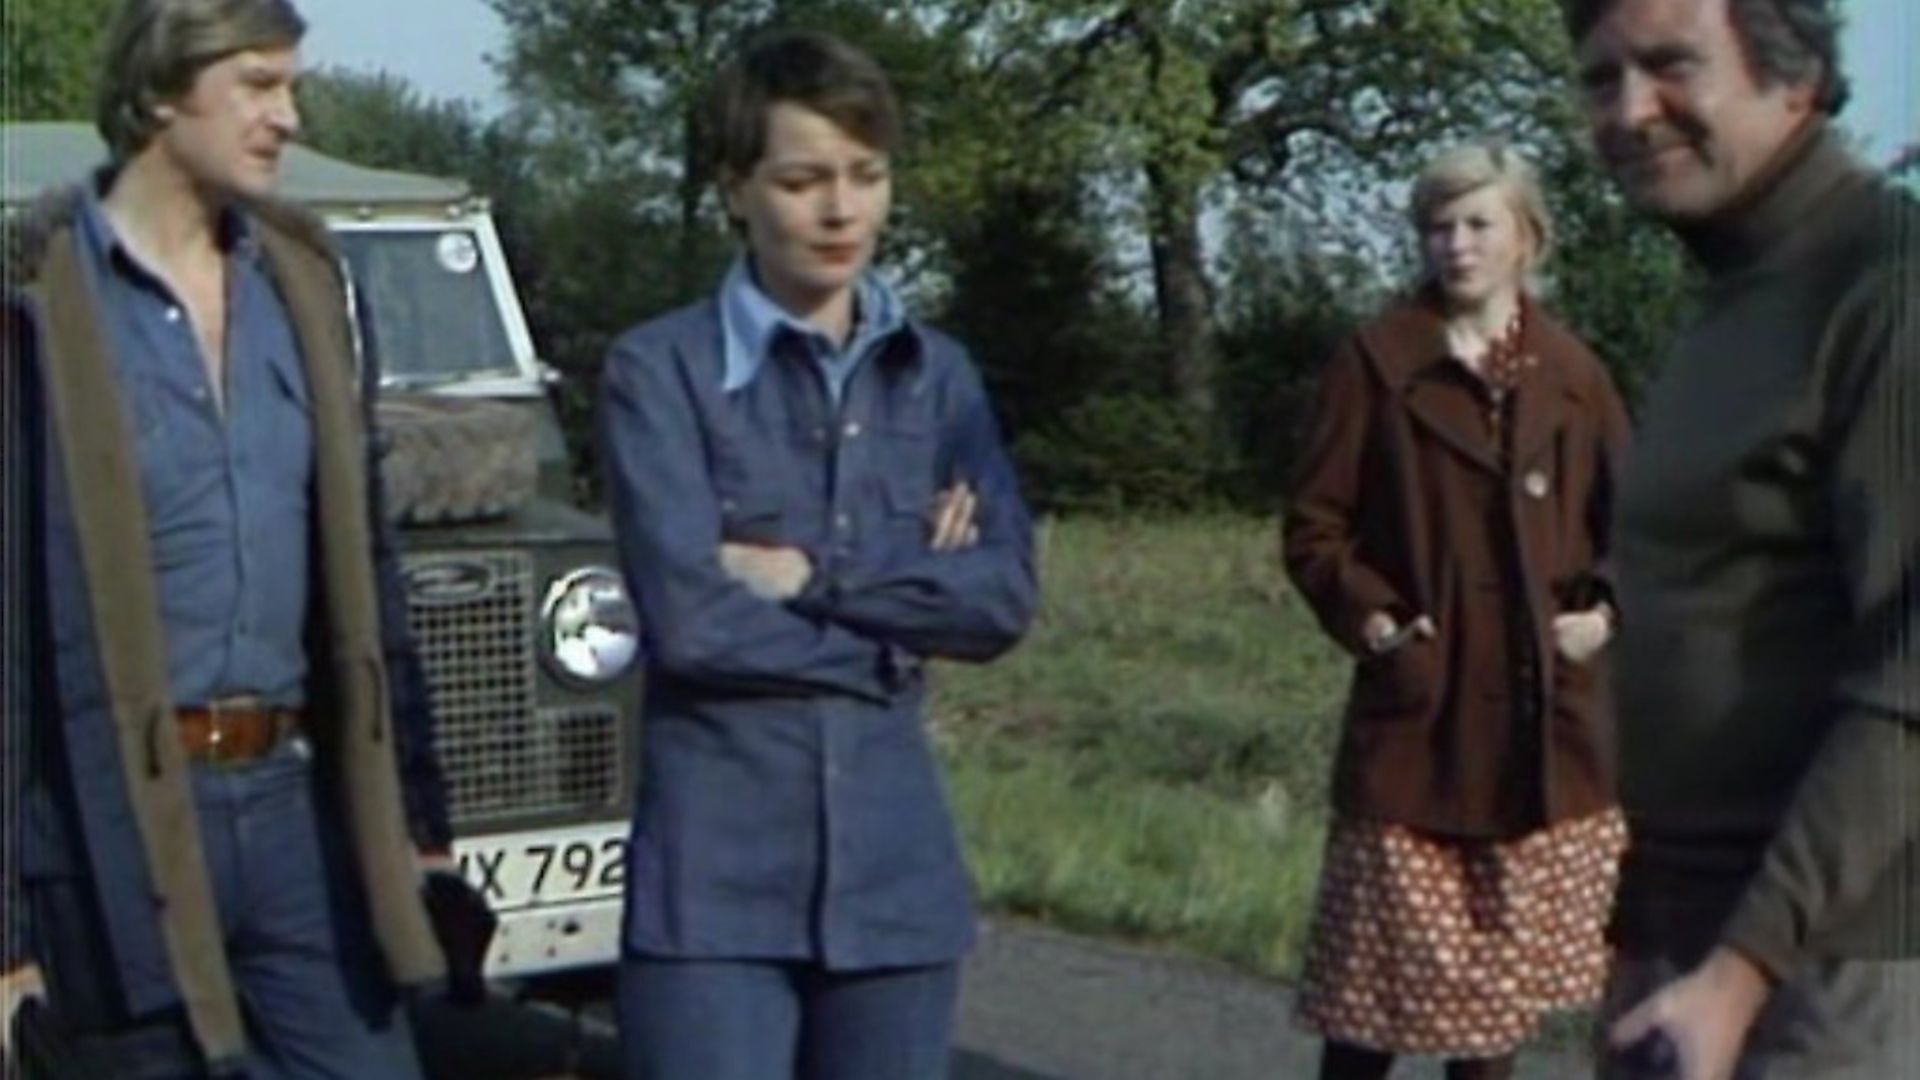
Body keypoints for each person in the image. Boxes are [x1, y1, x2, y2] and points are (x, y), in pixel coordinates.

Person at [1, 0, 462, 1075]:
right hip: (116, 827)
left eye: (290, 85)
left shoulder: (308, 289)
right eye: (257, 84)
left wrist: (425, 824)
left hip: (300, 812)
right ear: (163, 91)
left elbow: (369, 574)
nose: (287, 116)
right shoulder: (34, 311)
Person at [595, 28, 1038, 1080]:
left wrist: (812, 582)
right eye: (802, 180)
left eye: (865, 176)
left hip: (897, 894)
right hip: (714, 902)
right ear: (734, 189)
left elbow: (1000, 601)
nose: (841, 212)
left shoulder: (940, 380)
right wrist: (897, 638)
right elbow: (693, 623)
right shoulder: (658, 374)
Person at [1563, 0, 1919, 1076]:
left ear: (1793, 76)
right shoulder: (1738, 291)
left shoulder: (1883, 289)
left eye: (1672, 65)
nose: (1631, 110)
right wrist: (1642, 929)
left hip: (1840, 963)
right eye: (1600, 77)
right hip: (1695, 928)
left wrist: (1742, 973)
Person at [1282, 140, 1632, 1080]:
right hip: (1422, 722)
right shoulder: (1376, 362)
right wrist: (1380, 623)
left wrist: (1603, 612)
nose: (1458, 244)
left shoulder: (1573, 373)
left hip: (1540, 727)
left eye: (1479, 223)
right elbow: (1316, 526)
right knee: (1372, 997)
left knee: (1494, 1012)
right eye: (1440, 225)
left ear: (1528, 236)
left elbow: (1638, 527)